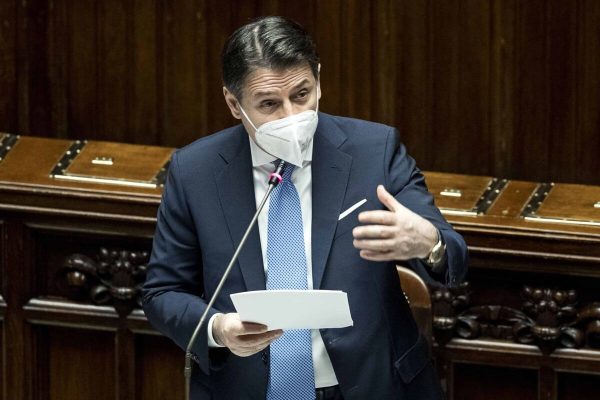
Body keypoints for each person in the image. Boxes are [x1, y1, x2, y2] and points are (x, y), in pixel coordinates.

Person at [143, 16, 468, 400]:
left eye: (301, 95)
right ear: (234, 104)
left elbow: (454, 259)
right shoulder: (195, 171)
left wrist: (429, 244)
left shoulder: (375, 151)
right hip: (248, 389)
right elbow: (162, 292)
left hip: (372, 386)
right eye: (268, 104)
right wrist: (217, 327)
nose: (292, 117)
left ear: (318, 79)